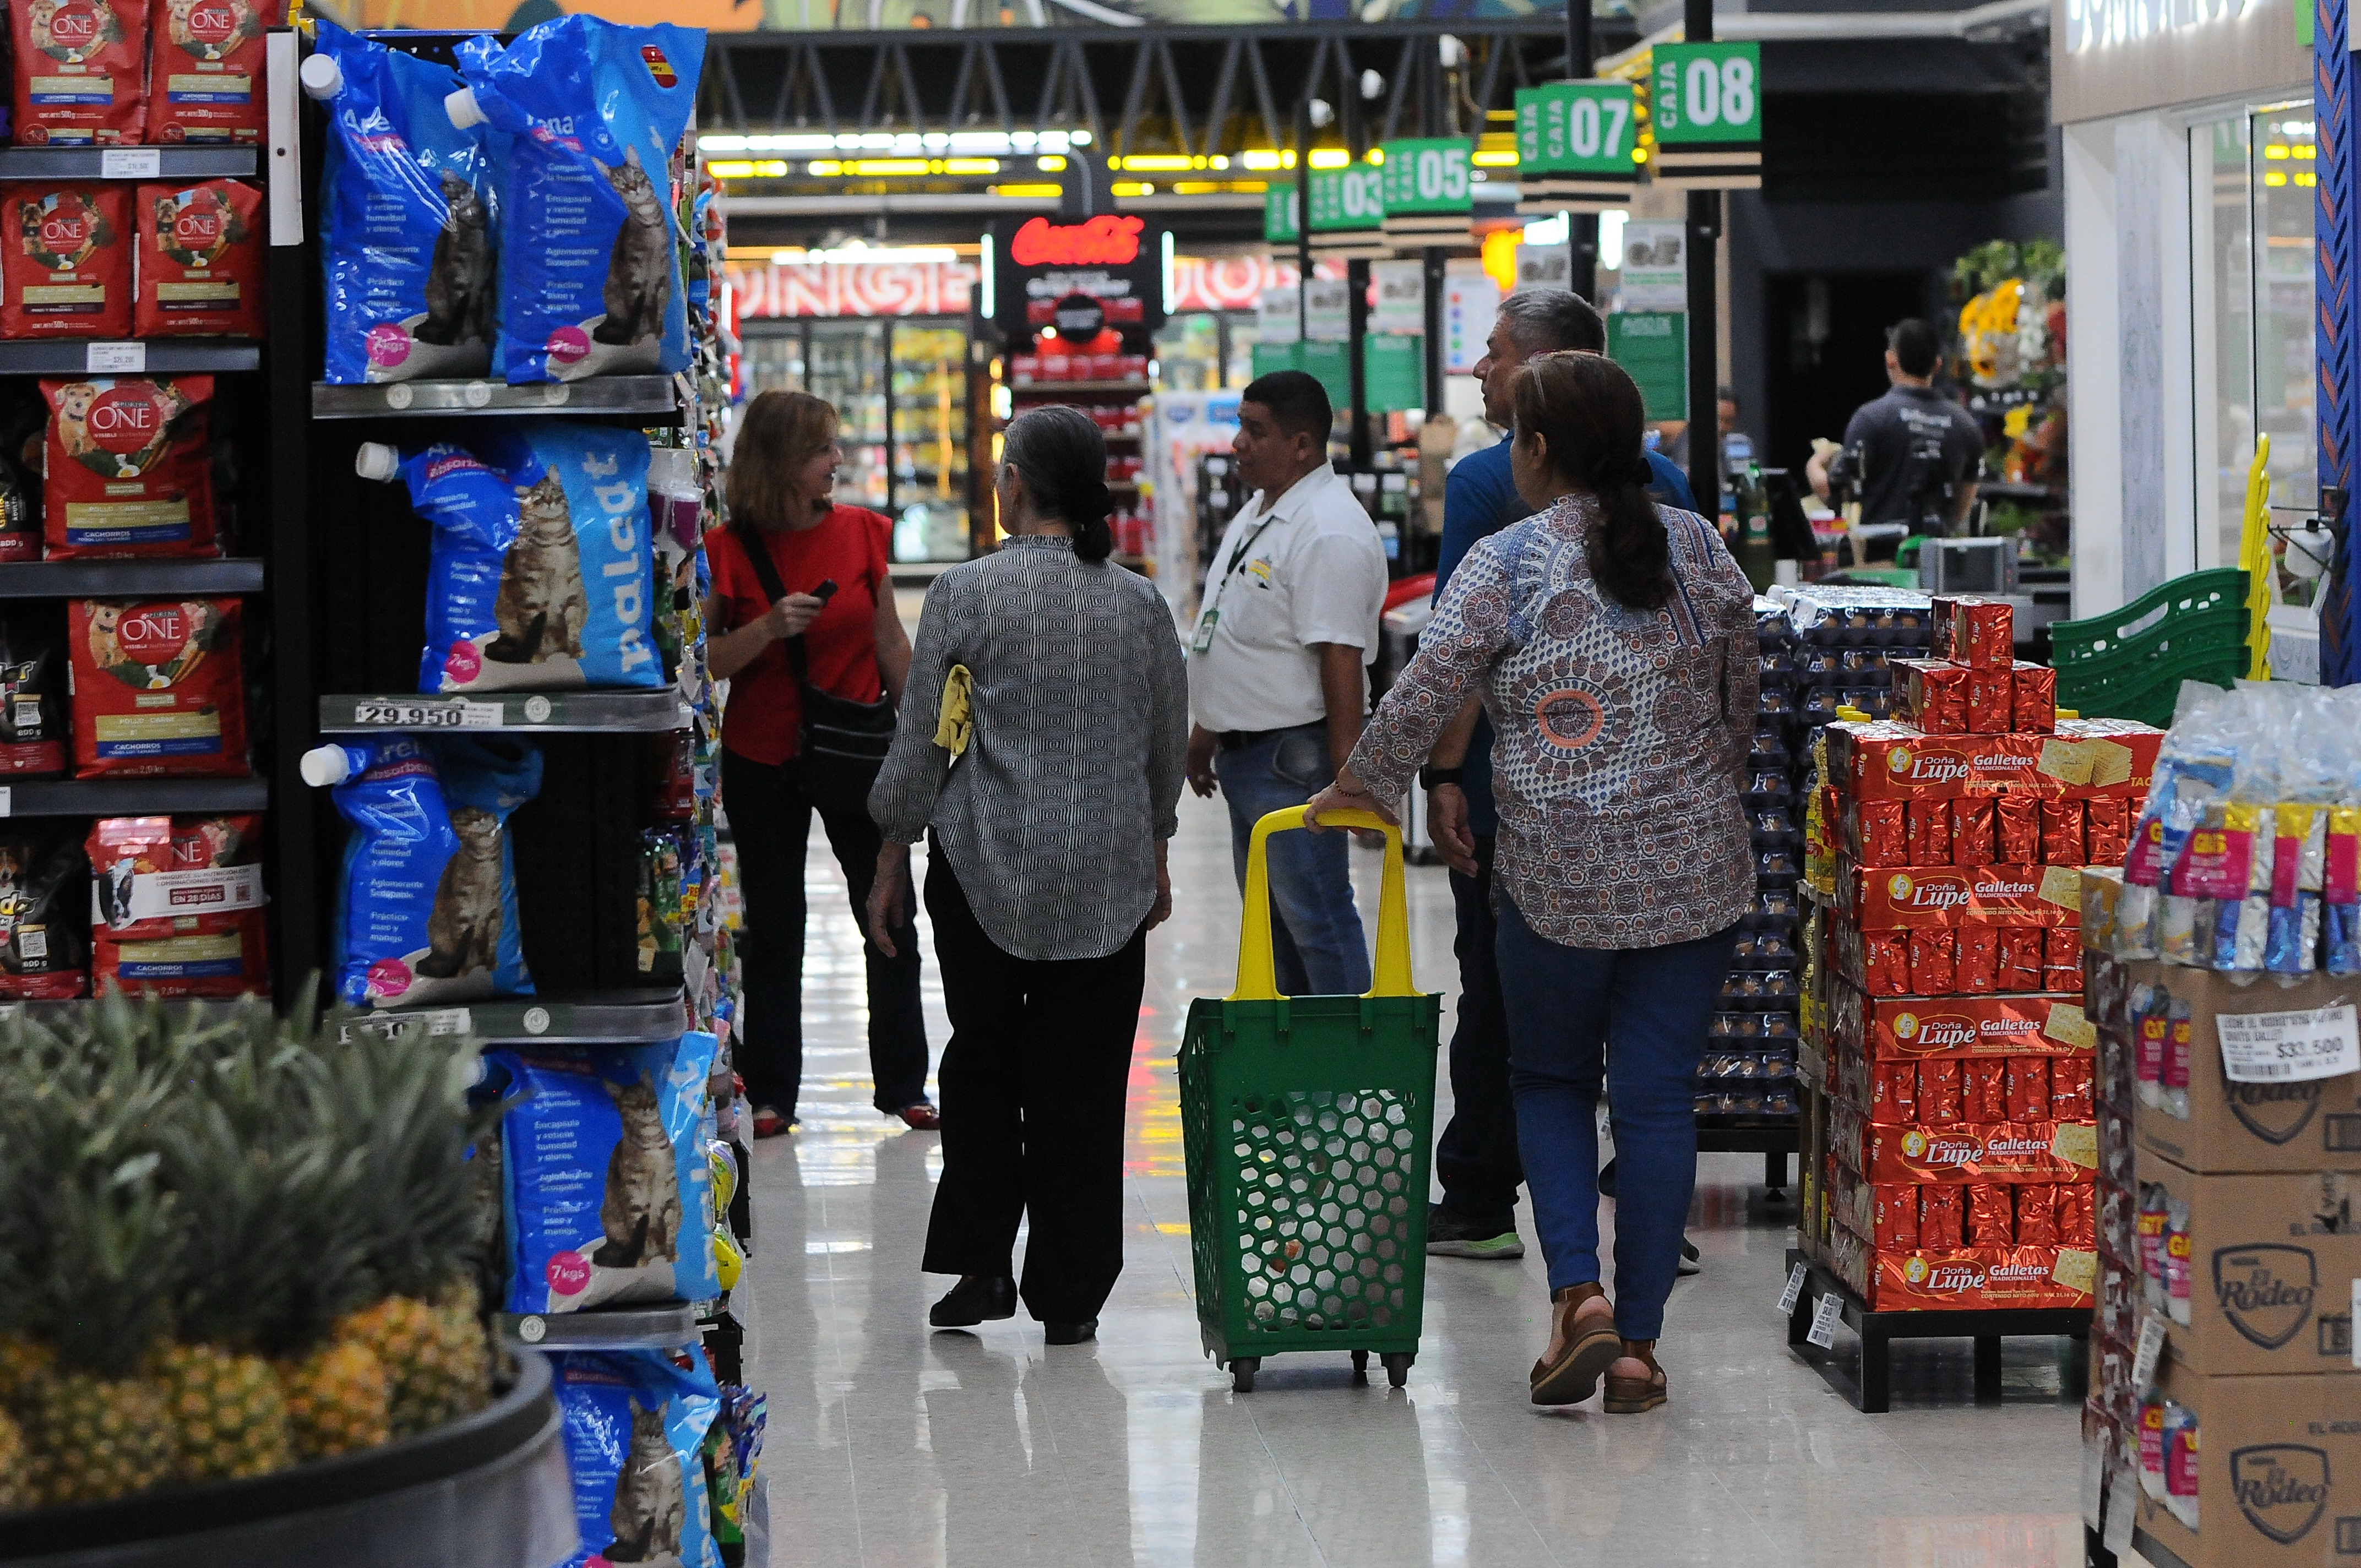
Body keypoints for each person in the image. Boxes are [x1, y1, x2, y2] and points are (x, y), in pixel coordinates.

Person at [1307, 351, 1756, 1413]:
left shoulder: (1507, 559)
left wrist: (1360, 785)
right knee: (1653, 1102)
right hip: (1693, 867)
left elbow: (1426, 684)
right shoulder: (1697, 546)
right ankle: (1638, 1349)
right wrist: (1708, 783)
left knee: (1549, 1080)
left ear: (1538, 449)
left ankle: (1579, 1296)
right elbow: (1745, 689)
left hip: (1556, 871)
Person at [866, 404, 1188, 1347]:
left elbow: (926, 734)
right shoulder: (1137, 604)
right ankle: (1072, 1290)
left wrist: (891, 846)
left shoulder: (965, 594)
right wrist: (1155, 845)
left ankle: (978, 1267)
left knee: (980, 1063)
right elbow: (1162, 747)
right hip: (1104, 874)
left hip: (983, 868)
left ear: (1016, 483)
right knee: (1084, 1081)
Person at [1422, 289, 1699, 1266]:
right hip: (1664, 819)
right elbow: (1723, 673)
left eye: (1495, 355)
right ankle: (1649, 1229)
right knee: (1649, 1056)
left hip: (1525, 810)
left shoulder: (1489, 483)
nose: (1479, 371)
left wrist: (1440, 773)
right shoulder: (1671, 490)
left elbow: (1454, 657)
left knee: (1513, 1024)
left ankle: (1484, 1200)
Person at [706, 389, 934, 1139]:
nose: (838, 462)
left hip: (857, 749)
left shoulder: (864, 534)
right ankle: (771, 1092)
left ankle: (905, 1084)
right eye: (822, 451)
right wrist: (767, 629)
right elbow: (703, 663)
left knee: (890, 909)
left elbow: (889, 642)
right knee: (775, 927)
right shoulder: (726, 550)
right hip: (762, 756)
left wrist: (921, 738)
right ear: (779, 462)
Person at [1183, 369, 1388, 998]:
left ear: (1302, 444)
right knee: (1274, 931)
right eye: (1240, 426)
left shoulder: (1326, 528)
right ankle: (1302, 1073)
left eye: (1255, 430)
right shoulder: (1264, 508)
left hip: (1293, 759)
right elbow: (1240, 634)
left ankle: (1349, 1073)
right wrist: (1204, 733)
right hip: (1250, 757)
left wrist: (1347, 777)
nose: (1239, 442)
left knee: (1317, 923)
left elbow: (1339, 656)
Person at [1809, 318, 1983, 533]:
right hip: (1937, 557)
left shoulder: (1871, 418)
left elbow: (1833, 493)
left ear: (1890, 360)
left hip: (1881, 556)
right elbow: (1962, 506)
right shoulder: (1965, 426)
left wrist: (1815, 464)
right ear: (1938, 365)